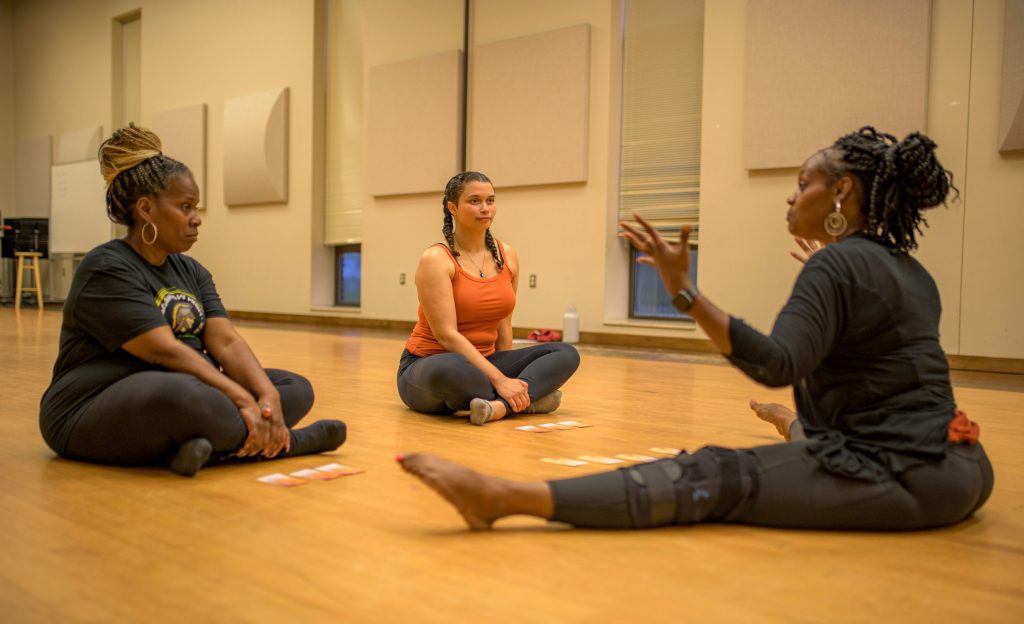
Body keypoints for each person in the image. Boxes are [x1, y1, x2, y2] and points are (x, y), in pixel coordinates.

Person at [397, 127, 993, 531]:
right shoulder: (901, 265)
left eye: (804, 185)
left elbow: (778, 364)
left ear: (841, 192)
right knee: (802, 434)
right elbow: (874, 372)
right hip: (964, 468)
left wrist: (686, 293)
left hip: (899, 476)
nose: (791, 199)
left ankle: (503, 498)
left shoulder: (839, 263)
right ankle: (800, 429)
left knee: (710, 473)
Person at [38, 125, 346, 477]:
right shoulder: (106, 267)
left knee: (292, 388)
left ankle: (195, 449)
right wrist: (242, 398)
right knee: (184, 395)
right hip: (88, 407)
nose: (196, 219)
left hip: (184, 391)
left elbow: (226, 342)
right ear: (146, 210)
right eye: (185, 207)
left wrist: (265, 396)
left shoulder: (191, 270)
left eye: (196, 207)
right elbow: (163, 351)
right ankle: (291, 442)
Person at [397, 171, 580, 425]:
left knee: (566, 352)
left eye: (490, 200)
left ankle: (501, 406)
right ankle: (528, 400)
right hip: (429, 365)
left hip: (486, 363)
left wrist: (505, 371)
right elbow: (446, 335)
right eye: (474, 201)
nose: (485, 209)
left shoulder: (508, 255)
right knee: (454, 368)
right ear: (453, 207)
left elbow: (504, 324)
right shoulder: (436, 260)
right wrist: (501, 380)